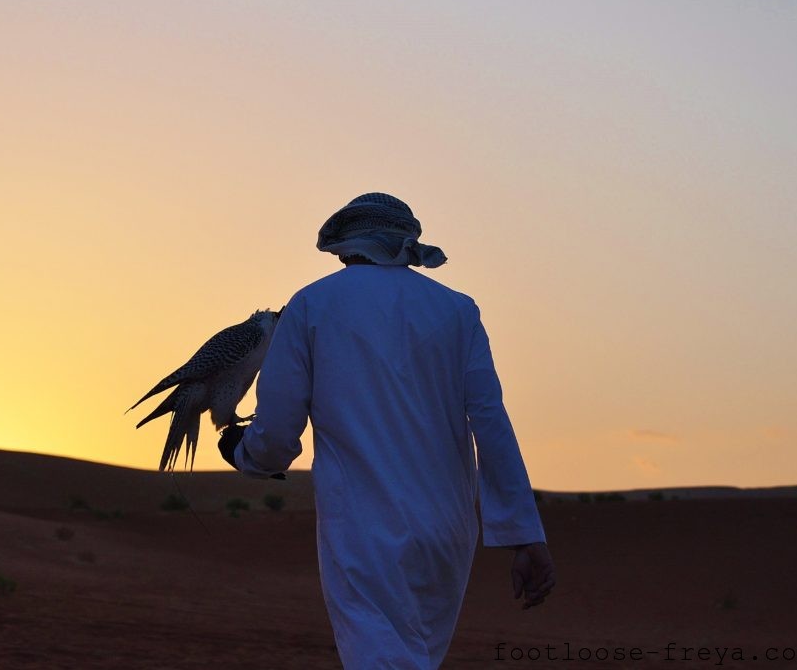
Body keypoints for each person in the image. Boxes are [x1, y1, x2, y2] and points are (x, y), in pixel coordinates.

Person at [218, 192, 555, 669]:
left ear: (343, 244)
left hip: (363, 527)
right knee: (415, 657)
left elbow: (277, 426)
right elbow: (492, 423)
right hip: (447, 530)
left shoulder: (313, 304)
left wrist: (246, 455)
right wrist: (524, 534)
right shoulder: (458, 310)